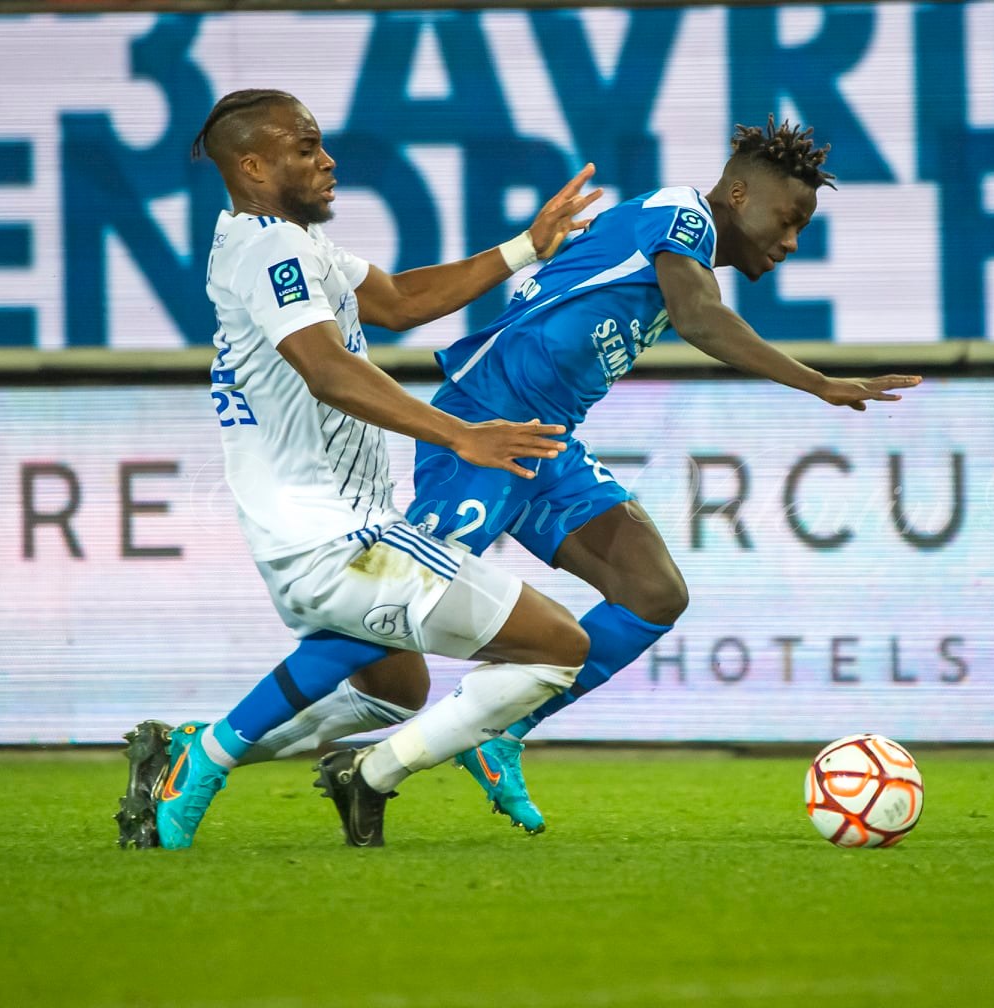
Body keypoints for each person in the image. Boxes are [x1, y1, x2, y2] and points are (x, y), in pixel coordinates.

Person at [298, 115, 922, 844]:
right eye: (789, 219)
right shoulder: (679, 215)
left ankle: (499, 731)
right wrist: (818, 382)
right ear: (740, 193)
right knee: (387, 604)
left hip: (547, 444)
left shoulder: (677, 245)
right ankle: (222, 741)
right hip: (485, 424)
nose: (790, 242)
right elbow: (701, 319)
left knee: (653, 592)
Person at [114, 87, 603, 850]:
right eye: (306, 147)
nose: (328, 160)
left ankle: (187, 751)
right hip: (338, 535)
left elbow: (401, 299)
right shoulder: (270, 250)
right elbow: (327, 370)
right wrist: (461, 435)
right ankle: (217, 758)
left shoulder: (284, 243)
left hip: (315, 530)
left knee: (395, 690)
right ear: (253, 166)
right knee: (560, 646)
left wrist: (525, 248)